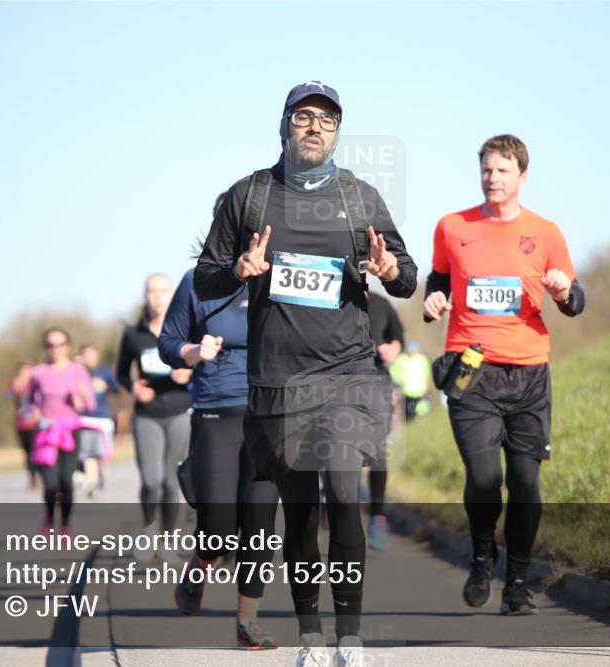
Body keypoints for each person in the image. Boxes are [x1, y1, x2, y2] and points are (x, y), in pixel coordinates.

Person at [195, 81, 417, 667]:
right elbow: (205, 280)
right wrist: (239, 269)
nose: (315, 127)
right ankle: (311, 636)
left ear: (338, 132)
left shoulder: (359, 198)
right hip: (279, 382)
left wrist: (391, 268)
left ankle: (351, 637)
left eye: (327, 119)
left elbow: (407, 276)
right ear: (285, 126)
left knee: (344, 496)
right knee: (301, 512)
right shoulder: (249, 198)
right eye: (303, 117)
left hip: (347, 373)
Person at [424, 134, 585, 616]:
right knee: (484, 477)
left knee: (526, 482)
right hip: (472, 370)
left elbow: (575, 301)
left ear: (523, 176)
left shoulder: (547, 233)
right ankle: (480, 556)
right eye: (487, 170)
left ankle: (516, 583)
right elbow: (437, 278)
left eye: (503, 170)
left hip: (530, 373)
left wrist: (562, 292)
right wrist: (434, 299)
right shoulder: (453, 227)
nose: (493, 178)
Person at [159, 229, 281, 649]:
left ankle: (247, 623)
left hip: (270, 414)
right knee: (219, 528)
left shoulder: (279, 277)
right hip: (216, 411)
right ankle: (198, 568)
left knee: (261, 526)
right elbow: (168, 342)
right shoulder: (198, 281)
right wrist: (195, 352)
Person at [116, 274, 193, 558]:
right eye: (151, 291)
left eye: (162, 291)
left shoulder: (184, 328)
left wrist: (190, 370)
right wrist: (132, 386)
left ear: (171, 295)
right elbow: (121, 374)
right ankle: (148, 528)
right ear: (145, 296)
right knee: (151, 480)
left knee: (171, 480)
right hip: (147, 413)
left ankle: (169, 542)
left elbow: (202, 359)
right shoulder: (133, 334)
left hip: (178, 410)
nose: (157, 296)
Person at [28, 327, 97, 536]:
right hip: (46, 433)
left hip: (70, 431)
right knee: (50, 484)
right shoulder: (38, 373)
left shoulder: (78, 371)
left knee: (67, 481)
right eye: (50, 345)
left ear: (67, 347)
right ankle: (49, 517)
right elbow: (29, 402)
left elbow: (91, 404)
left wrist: (81, 400)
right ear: (45, 348)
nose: (55, 349)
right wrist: (34, 412)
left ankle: (65, 524)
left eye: (59, 345)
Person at [364, 289, 404, 552]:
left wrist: (392, 350)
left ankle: (377, 518)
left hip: (377, 384)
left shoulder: (381, 304)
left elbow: (398, 337)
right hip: (337, 384)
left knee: (378, 454)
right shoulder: (331, 296)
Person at [77, 343, 119, 497]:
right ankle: (92, 483)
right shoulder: (76, 372)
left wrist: (105, 387)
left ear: (97, 356)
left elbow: (117, 389)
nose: (89, 358)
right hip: (83, 419)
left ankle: (98, 475)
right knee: (87, 453)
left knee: (101, 454)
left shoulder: (105, 372)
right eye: (86, 355)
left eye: (92, 355)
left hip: (102, 418)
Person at [10, 361, 40, 490]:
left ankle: (41, 477)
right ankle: (32, 478)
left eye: (28, 370)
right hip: (22, 424)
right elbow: (5, 397)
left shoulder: (37, 384)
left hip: (36, 424)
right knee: (28, 453)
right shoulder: (17, 385)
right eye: (23, 371)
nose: (25, 374)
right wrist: (15, 389)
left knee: (37, 451)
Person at [389, 341, 431, 422]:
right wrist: (399, 382)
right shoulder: (402, 359)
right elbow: (393, 372)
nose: (413, 351)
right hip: (407, 392)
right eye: (411, 349)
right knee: (409, 412)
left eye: (415, 349)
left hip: (420, 391)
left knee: (422, 409)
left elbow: (427, 375)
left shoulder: (422, 359)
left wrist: (427, 388)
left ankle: (420, 423)